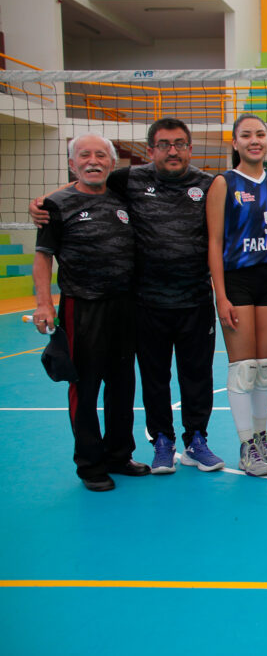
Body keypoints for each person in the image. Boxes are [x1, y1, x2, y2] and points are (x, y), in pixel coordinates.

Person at [29, 118, 224, 475]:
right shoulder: (127, 180)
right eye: (164, 144)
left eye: (180, 143)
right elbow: (81, 190)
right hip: (127, 303)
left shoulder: (206, 183)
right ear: (149, 151)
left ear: (190, 148)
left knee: (160, 380)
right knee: (133, 380)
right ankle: (138, 449)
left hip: (176, 301)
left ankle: (173, 444)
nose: (173, 150)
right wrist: (44, 203)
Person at [32, 133, 149, 491]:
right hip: (81, 307)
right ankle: (89, 463)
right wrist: (43, 303)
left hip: (124, 306)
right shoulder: (56, 204)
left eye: (101, 155)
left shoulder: (122, 198)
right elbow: (43, 256)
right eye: (84, 155)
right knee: (84, 387)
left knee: (122, 385)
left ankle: (118, 454)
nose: (93, 161)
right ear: (72, 164)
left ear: (113, 165)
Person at [206, 113, 267, 477]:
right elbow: (214, 241)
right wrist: (220, 295)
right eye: (246, 135)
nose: (255, 140)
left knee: (265, 367)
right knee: (243, 367)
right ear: (235, 143)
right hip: (237, 278)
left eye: (261, 134)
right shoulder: (224, 183)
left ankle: (261, 435)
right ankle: (245, 445)